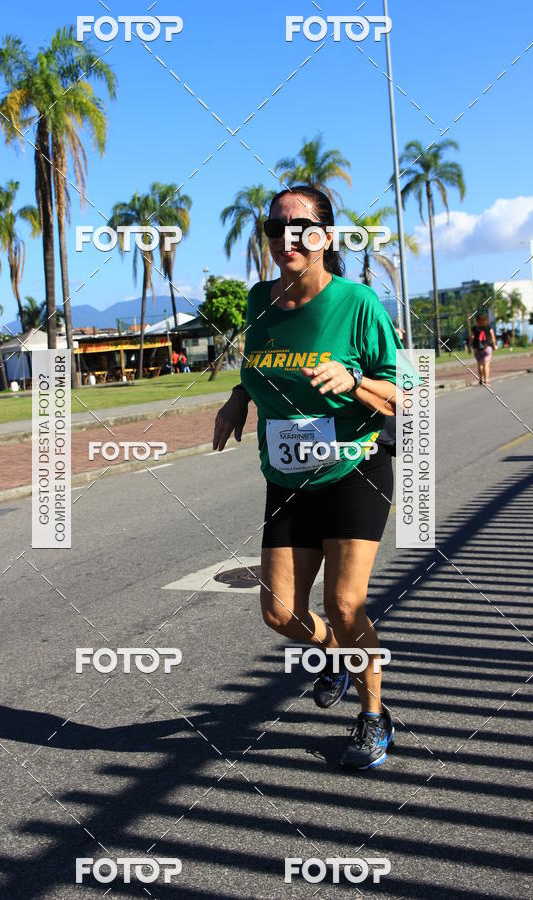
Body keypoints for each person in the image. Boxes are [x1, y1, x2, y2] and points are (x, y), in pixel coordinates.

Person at [212, 185, 405, 771]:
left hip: (354, 467)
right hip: (288, 476)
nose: (286, 239)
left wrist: (354, 384)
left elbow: (402, 400)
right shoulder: (258, 302)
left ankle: (374, 715)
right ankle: (334, 655)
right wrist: (237, 398)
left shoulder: (359, 303)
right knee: (278, 614)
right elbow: (261, 368)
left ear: (325, 236)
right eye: (275, 229)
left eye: (299, 228)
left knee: (346, 607)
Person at [470, 313, 496, 384]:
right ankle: (486, 380)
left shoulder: (474, 328)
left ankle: (480, 379)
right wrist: (494, 345)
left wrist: (470, 345)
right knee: (486, 364)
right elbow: (493, 338)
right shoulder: (488, 327)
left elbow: (472, 337)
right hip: (487, 348)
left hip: (477, 348)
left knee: (479, 364)